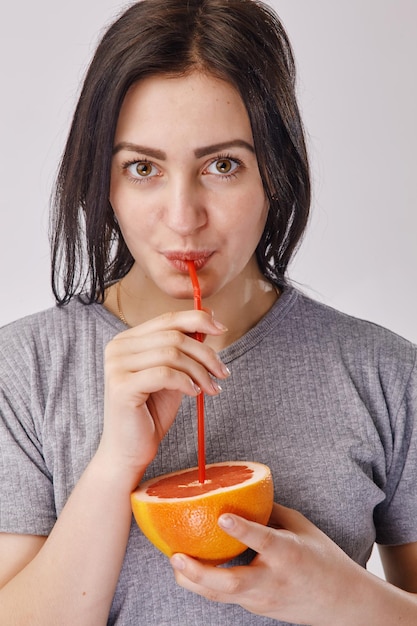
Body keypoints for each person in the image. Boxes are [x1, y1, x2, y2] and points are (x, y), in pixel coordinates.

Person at [0, 0, 416, 624]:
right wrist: (116, 463)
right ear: (102, 182)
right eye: (142, 168)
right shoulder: (22, 374)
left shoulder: (386, 374)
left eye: (223, 165)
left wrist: (346, 599)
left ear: (274, 171)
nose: (183, 216)